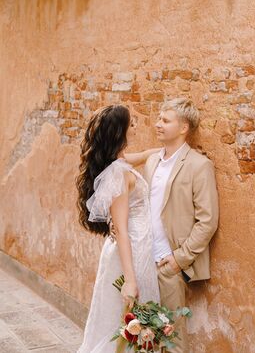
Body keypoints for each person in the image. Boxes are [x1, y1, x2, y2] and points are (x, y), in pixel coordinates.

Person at [76, 105, 160, 353]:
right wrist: (130, 280)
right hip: (129, 251)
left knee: (128, 322)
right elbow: (121, 229)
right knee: (120, 323)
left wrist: (165, 152)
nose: (135, 127)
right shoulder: (119, 174)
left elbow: (141, 155)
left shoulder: (118, 162)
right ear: (120, 132)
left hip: (138, 246)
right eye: (131, 124)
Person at [144, 98, 219, 353]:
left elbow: (207, 220)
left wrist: (179, 260)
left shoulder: (199, 165)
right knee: (145, 335)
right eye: (158, 119)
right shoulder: (153, 161)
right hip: (144, 261)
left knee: (172, 339)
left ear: (184, 127)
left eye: (165, 120)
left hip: (170, 266)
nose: (158, 125)